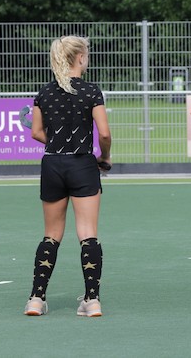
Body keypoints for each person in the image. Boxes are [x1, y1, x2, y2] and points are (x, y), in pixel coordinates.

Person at [23, 35, 112, 317]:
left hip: (52, 165)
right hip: (83, 164)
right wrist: (105, 158)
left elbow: (36, 132)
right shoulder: (91, 91)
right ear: (80, 57)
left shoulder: (45, 92)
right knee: (88, 235)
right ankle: (92, 300)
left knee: (51, 235)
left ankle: (36, 299)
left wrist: (57, 142)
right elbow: (105, 133)